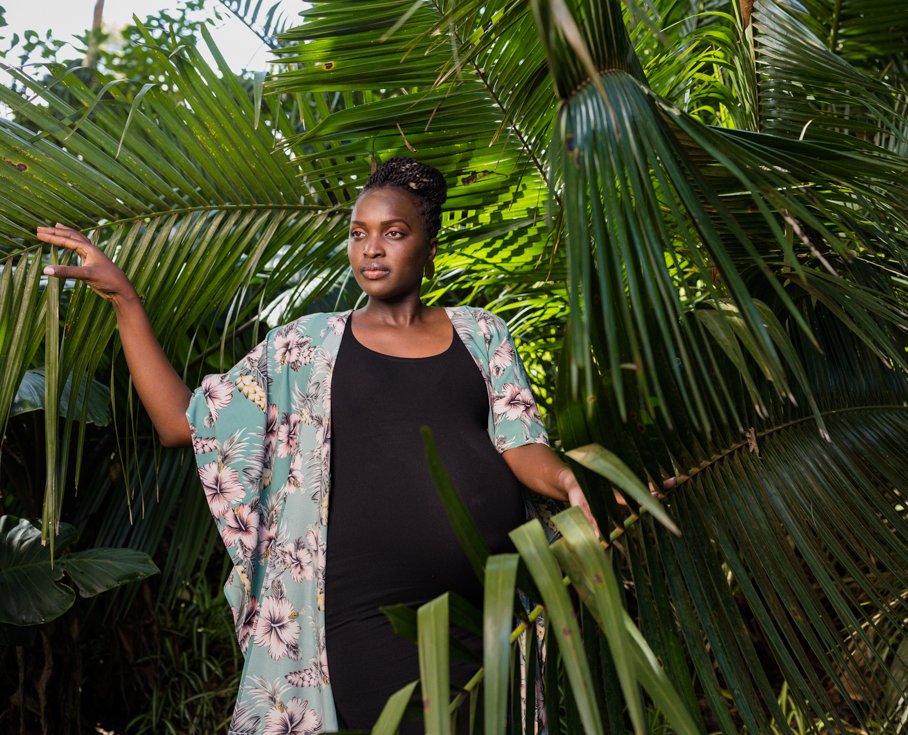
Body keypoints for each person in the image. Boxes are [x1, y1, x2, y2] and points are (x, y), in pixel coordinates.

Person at [36, 157, 595, 734]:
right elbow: (182, 422)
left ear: (430, 245)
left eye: (394, 233)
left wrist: (570, 481)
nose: (372, 249)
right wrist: (126, 300)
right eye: (359, 234)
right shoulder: (307, 346)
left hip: (492, 605)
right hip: (365, 616)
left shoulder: (482, 332)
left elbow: (520, 442)